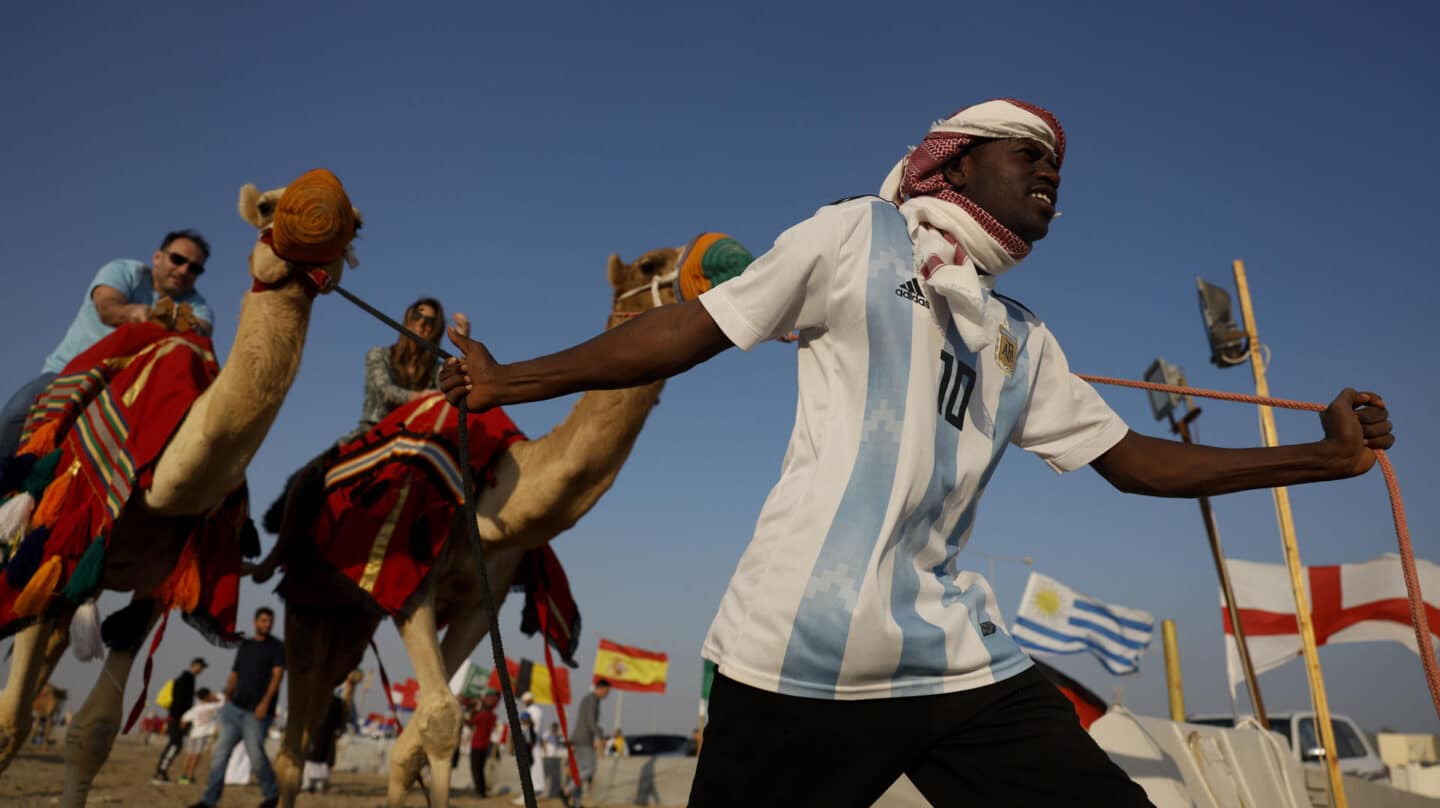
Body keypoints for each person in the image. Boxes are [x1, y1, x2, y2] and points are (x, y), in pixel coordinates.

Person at [439, 99, 1396, 808]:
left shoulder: (1022, 337)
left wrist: (1320, 459)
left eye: (1059, 164)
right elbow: (695, 328)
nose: (1052, 169)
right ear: (956, 163)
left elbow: (1136, 462)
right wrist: (510, 382)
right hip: (797, 659)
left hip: (950, 658)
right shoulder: (854, 234)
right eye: (1031, 152)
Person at [0, 230, 214, 460]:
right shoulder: (124, 271)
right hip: (67, 374)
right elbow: (107, 307)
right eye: (178, 260)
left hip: (125, 393)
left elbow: (201, 330)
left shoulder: (196, 304)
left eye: (194, 268)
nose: (184, 270)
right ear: (157, 257)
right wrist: (136, 314)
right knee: (15, 416)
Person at [191, 606, 285, 808]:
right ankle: (209, 801)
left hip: (257, 714)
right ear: (255, 622)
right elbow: (235, 673)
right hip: (234, 709)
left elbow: (277, 677)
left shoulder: (276, 647)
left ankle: (272, 795)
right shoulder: (246, 646)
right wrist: (227, 696)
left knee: (256, 756)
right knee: (220, 754)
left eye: (269, 621)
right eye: (262, 620)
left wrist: (265, 704)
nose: (265, 624)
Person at [345, 297, 469, 442]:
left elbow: (455, 388)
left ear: (435, 330)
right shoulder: (378, 354)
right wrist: (421, 396)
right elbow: (384, 391)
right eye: (418, 316)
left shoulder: (436, 370)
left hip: (415, 435)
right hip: (373, 432)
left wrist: (464, 343)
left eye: (429, 321)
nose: (422, 323)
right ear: (408, 319)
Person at [153, 656, 208, 783]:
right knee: (174, 744)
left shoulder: (188, 678)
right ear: (194, 665)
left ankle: (162, 772)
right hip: (177, 718)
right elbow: (180, 702)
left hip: (177, 718)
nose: (201, 670)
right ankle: (160, 773)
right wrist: (182, 719)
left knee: (175, 745)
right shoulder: (186, 679)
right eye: (201, 667)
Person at [565, 679, 610, 805]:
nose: (607, 694)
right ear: (602, 689)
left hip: (579, 738)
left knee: (580, 772)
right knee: (590, 768)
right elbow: (590, 721)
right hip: (584, 739)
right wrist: (600, 736)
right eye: (607, 691)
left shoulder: (589, 699)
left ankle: (577, 803)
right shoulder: (592, 700)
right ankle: (566, 790)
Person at [301, 695, 347, 793]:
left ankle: (319, 784)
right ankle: (308, 783)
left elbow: (341, 719)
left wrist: (340, 729)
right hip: (316, 732)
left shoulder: (337, 703)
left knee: (324, 757)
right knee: (311, 756)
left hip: (328, 734)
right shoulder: (314, 698)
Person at [177, 688, 224, 785]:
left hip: (193, 734)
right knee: (196, 756)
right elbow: (223, 701)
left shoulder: (196, 708)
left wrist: (184, 730)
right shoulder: (212, 706)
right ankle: (190, 776)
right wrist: (216, 696)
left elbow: (183, 720)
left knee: (189, 755)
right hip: (202, 734)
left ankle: (184, 776)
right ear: (207, 696)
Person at [468, 692, 499, 797]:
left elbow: (471, 721)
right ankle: (482, 791)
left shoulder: (481, 715)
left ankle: (479, 792)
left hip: (476, 745)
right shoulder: (493, 716)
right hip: (485, 746)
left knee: (475, 769)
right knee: (481, 769)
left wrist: (476, 708)